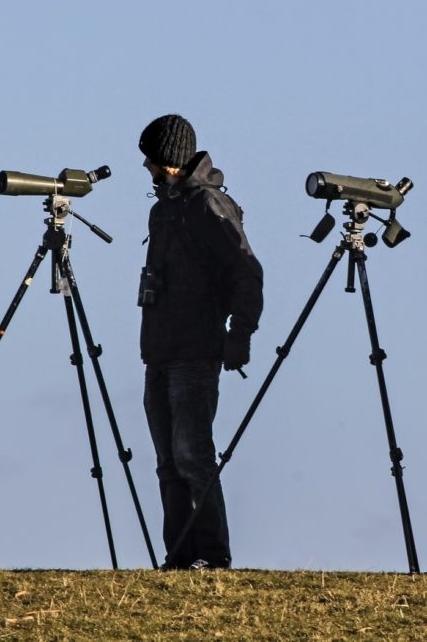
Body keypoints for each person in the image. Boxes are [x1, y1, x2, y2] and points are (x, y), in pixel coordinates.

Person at [137, 114, 264, 570]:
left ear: (168, 161)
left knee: (192, 455)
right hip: (159, 352)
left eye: (151, 160)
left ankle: (213, 556)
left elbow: (245, 272)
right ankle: (179, 557)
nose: (147, 170)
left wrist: (240, 334)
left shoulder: (209, 206)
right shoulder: (164, 209)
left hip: (195, 352)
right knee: (168, 461)